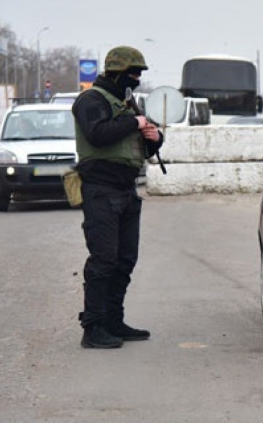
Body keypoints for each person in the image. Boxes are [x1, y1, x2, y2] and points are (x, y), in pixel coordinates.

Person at [72, 46, 163, 349]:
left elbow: (140, 146)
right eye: (133, 73)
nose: (137, 78)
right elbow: (97, 134)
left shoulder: (127, 102)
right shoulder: (91, 100)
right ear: (117, 72)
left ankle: (113, 320)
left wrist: (155, 138)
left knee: (125, 259)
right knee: (103, 260)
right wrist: (135, 123)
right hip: (100, 189)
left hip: (126, 190)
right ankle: (93, 327)